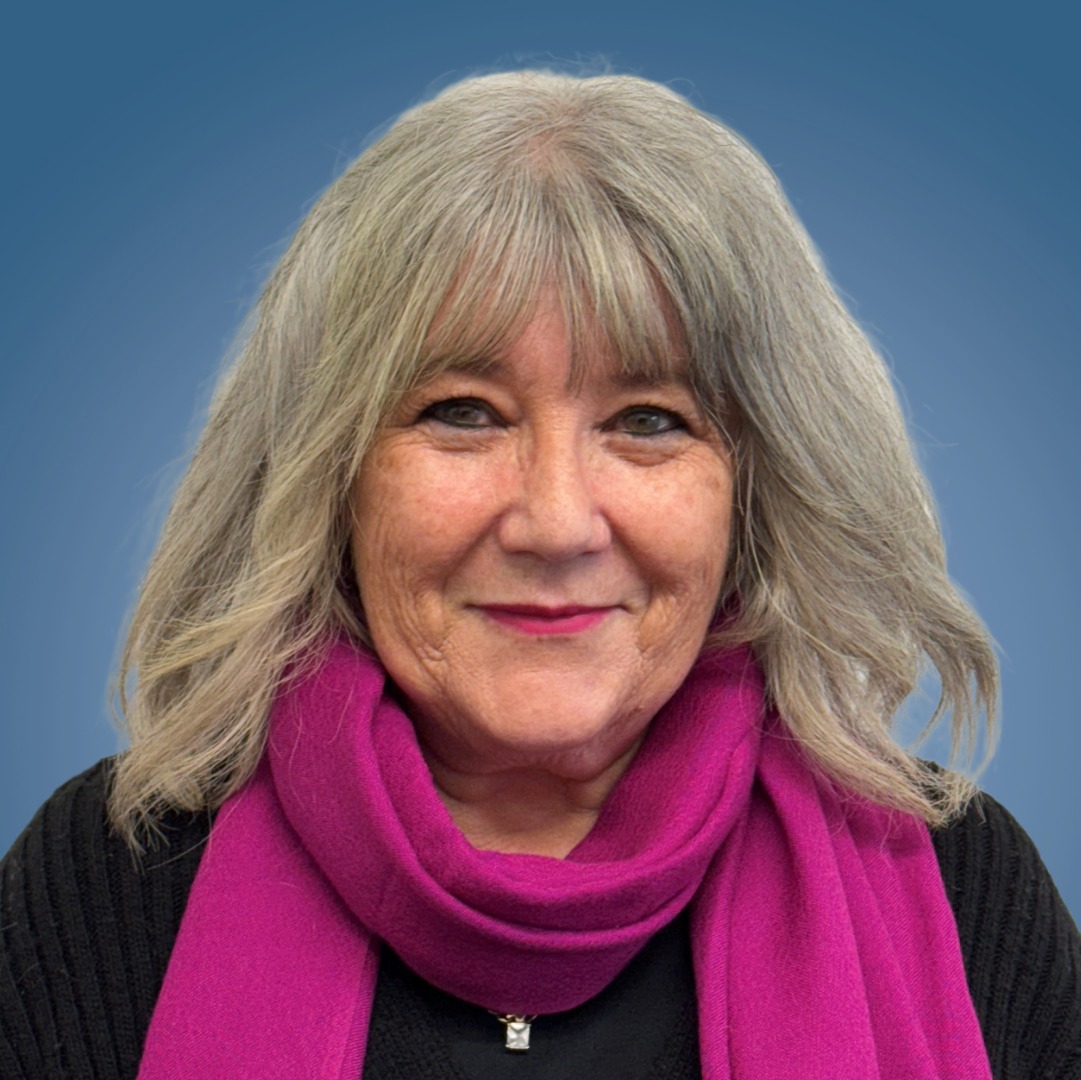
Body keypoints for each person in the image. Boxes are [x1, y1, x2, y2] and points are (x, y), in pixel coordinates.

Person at [1, 69, 1078, 1080]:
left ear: (757, 490)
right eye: (462, 414)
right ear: (325, 476)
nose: (556, 522)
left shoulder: (962, 890)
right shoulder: (109, 882)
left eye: (647, 422)